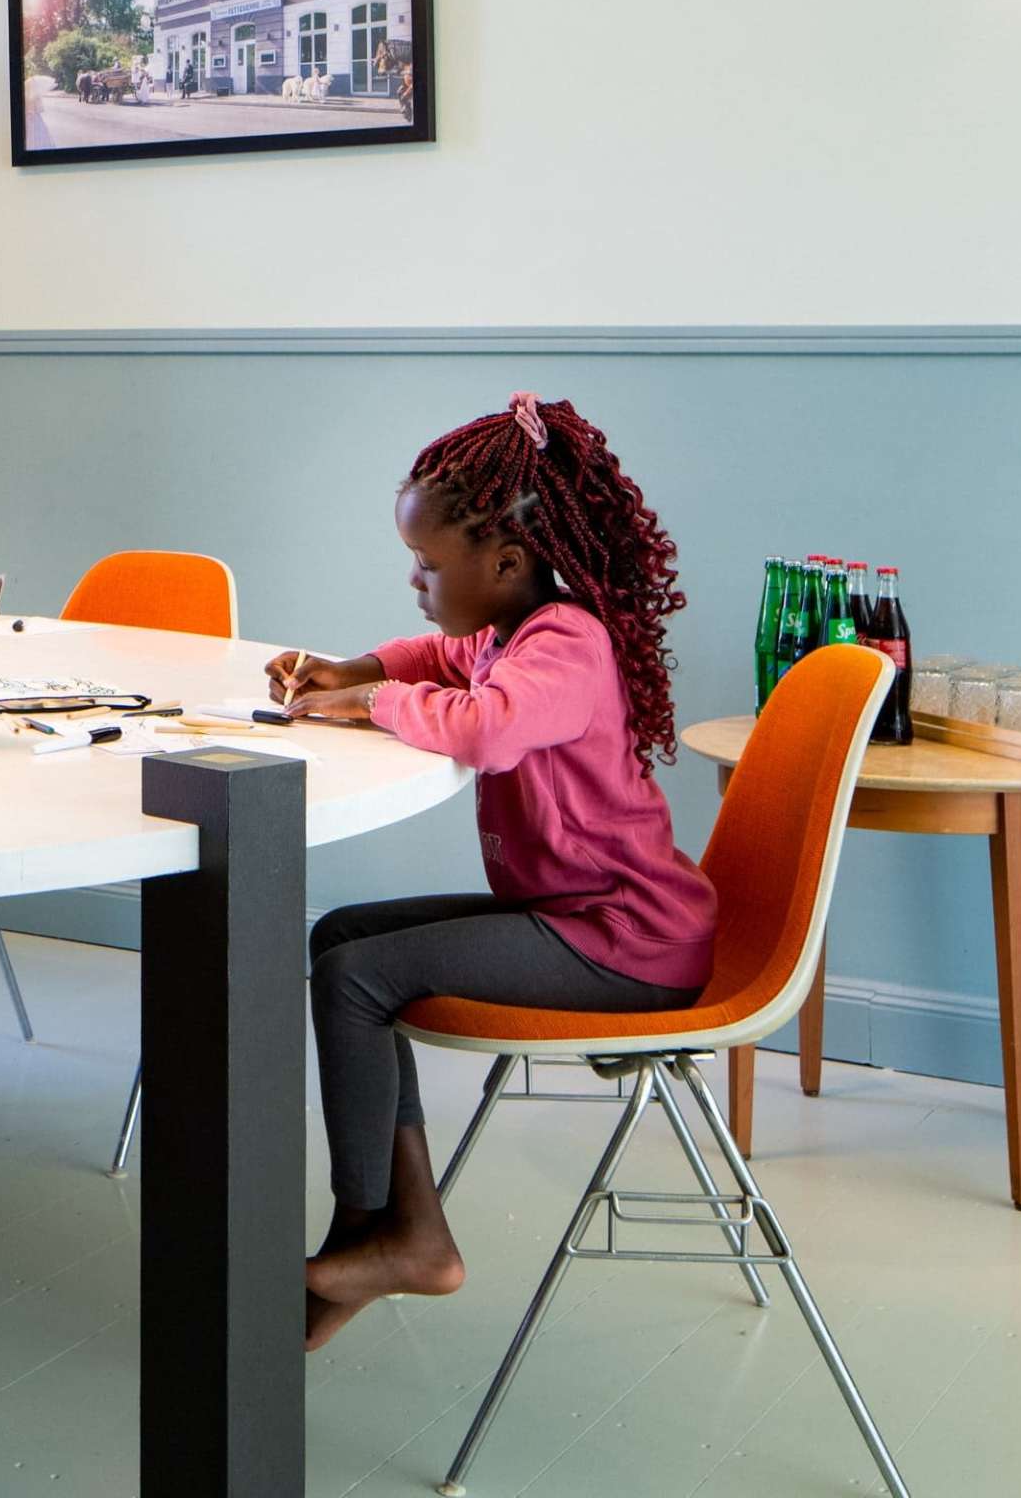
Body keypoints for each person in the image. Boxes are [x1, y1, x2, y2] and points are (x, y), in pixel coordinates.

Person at [265, 392, 715, 1350]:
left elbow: (491, 727)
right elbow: (437, 652)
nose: (417, 581)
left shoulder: (568, 645)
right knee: (342, 937)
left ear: (505, 563)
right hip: (574, 916)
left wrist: (376, 702)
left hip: (625, 942)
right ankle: (400, 1232)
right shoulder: (512, 630)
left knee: (356, 977)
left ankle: (371, 1233)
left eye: (428, 565)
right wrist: (351, 669)